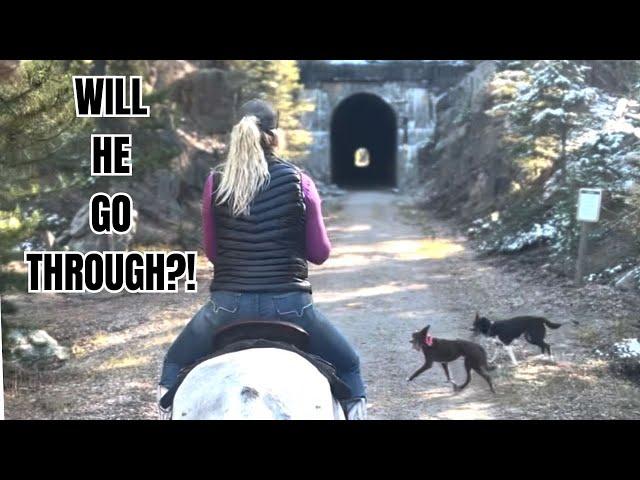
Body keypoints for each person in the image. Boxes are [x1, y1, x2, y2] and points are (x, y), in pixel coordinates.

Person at [158, 99, 366, 419]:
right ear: (275, 136)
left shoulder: (217, 181)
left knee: (173, 364)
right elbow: (320, 253)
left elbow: (213, 253)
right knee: (349, 365)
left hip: (226, 307)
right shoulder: (300, 181)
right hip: (292, 306)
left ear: (237, 134)